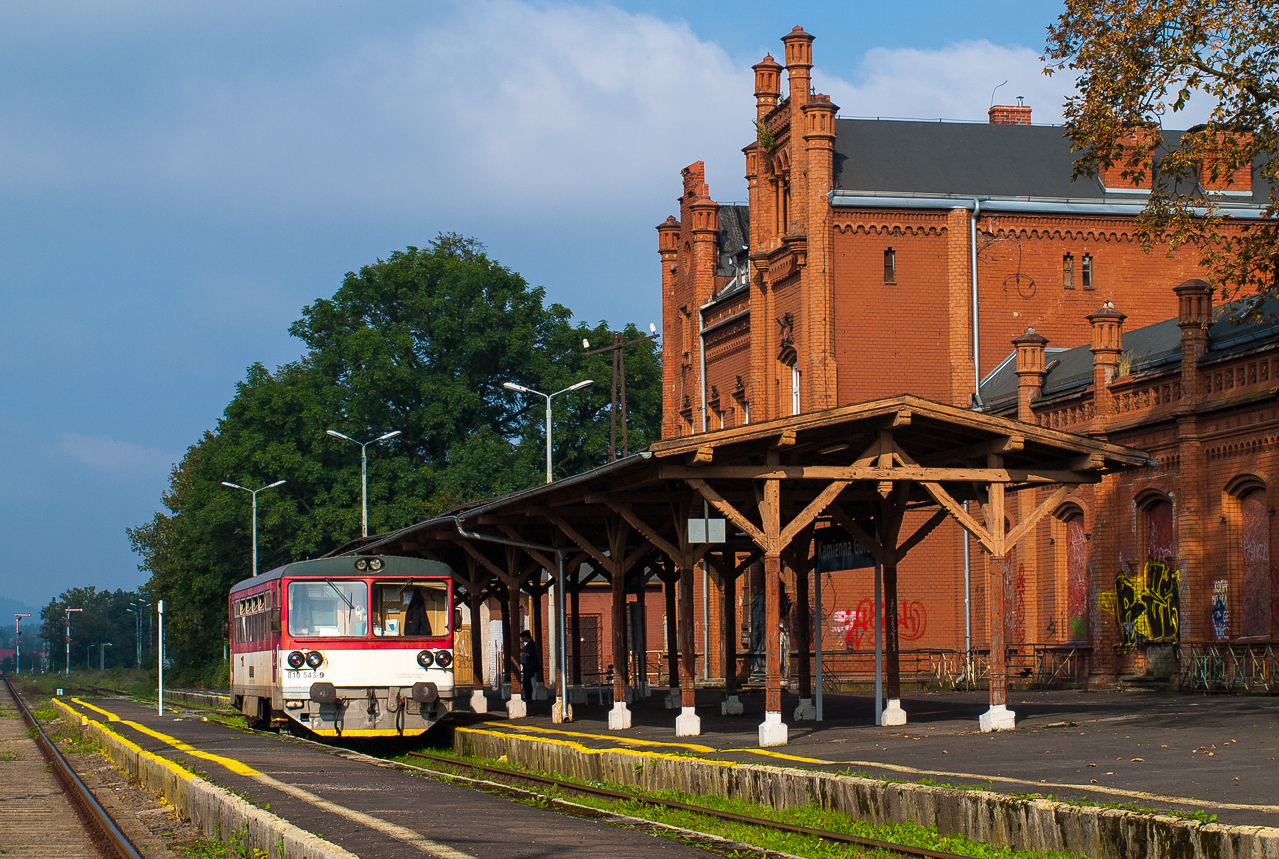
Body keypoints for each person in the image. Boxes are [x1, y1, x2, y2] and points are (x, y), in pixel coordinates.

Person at [518, 630, 540, 701]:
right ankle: (528, 697)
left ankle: (528, 697)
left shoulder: (531, 644)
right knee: (527, 682)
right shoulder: (530, 644)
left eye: (522, 637)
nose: (522, 639)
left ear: (526, 636)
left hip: (529, 666)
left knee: (527, 682)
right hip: (527, 666)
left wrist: (521, 652)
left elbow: (529, 654)